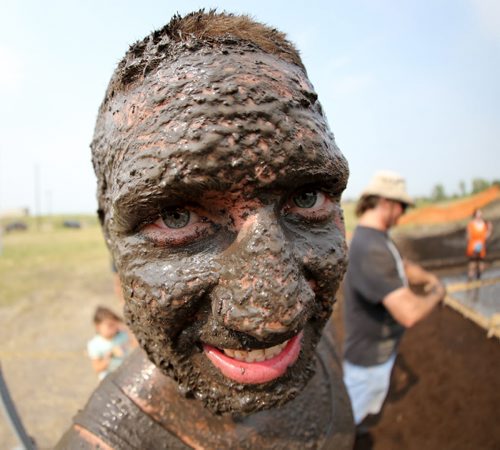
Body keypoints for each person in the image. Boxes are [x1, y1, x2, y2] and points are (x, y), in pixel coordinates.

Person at [57, 10, 354, 449]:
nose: (277, 315)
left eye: (307, 198)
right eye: (177, 217)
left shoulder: (321, 348)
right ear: (113, 243)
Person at [342, 170, 446, 434]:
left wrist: (429, 278)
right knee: (345, 420)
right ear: (386, 203)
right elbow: (409, 313)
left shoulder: (377, 240)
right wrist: (437, 292)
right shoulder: (371, 249)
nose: (403, 214)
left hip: (377, 354)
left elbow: (403, 266)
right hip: (368, 360)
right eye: (401, 206)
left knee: (359, 410)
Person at [87, 306, 131, 380]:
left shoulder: (122, 335)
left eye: (115, 324)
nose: (114, 328)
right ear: (98, 327)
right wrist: (110, 356)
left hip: (126, 371)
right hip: (109, 377)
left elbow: (137, 346)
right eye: (109, 325)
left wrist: (126, 329)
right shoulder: (94, 345)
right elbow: (97, 368)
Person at [466, 208, 493, 280]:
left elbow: (486, 237)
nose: (479, 215)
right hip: (473, 245)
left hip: (481, 245)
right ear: (475, 215)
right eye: (478, 214)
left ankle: (478, 279)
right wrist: (474, 246)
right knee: (472, 264)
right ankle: (470, 280)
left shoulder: (485, 224)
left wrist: (489, 230)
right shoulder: (471, 224)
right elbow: (468, 236)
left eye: (480, 213)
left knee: (481, 266)